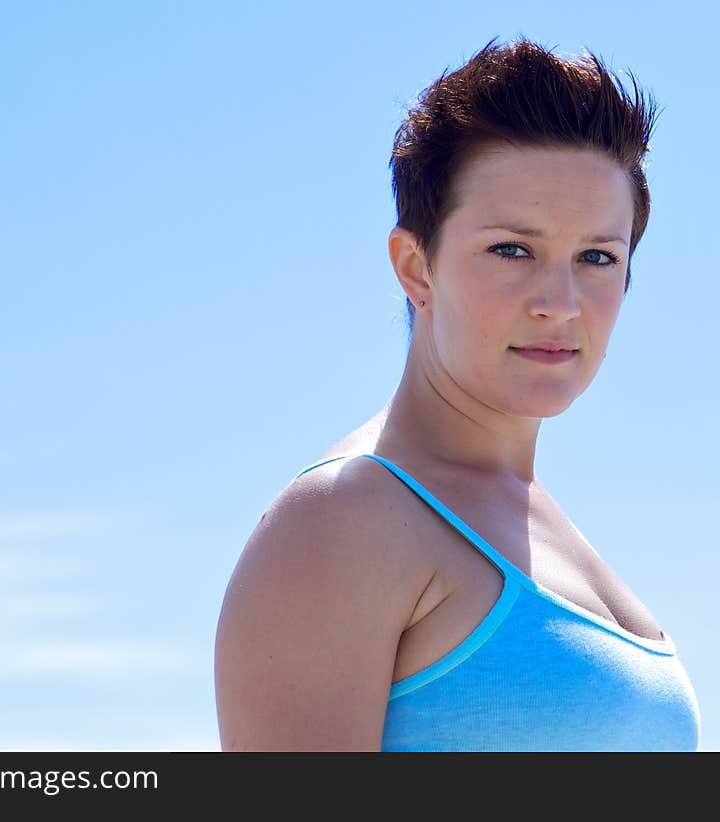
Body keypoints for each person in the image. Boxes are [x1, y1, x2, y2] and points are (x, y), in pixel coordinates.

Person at [213, 36, 701, 751]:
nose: (560, 302)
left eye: (597, 257)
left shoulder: (542, 527)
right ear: (416, 267)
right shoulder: (346, 521)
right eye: (513, 249)